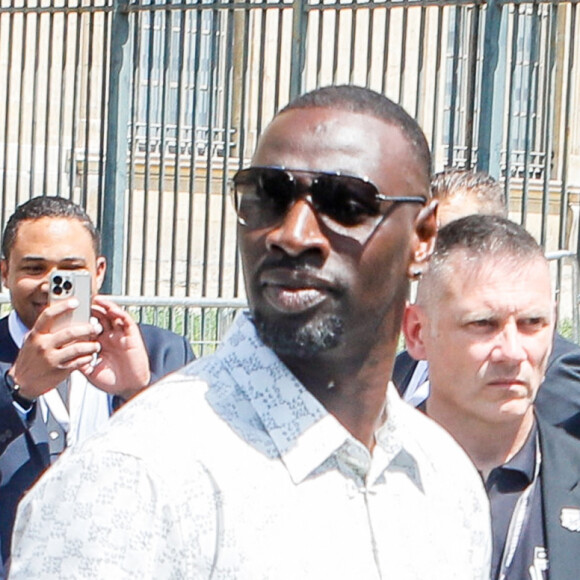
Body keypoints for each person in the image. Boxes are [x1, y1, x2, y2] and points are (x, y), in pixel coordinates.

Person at [9, 86, 491, 578]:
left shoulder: (445, 479)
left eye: (346, 203)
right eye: (269, 198)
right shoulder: (131, 478)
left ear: (423, 237)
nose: (293, 234)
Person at [0, 196, 195, 571]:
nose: (51, 285)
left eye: (71, 270)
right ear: (5, 273)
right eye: (34, 268)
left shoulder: (161, 352)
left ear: (99, 271)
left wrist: (138, 393)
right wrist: (16, 392)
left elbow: (205, 464)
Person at [403, 214, 580, 580]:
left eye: (533, 323)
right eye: (483, 324)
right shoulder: (354, 481)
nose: (512, 352)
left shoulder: (569, 474)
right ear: (418, 332)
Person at [393, 168, 580, 425]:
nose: (432, 254)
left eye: (460, 238)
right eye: (426, 237)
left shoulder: (557, 373)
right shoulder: (402, 367)